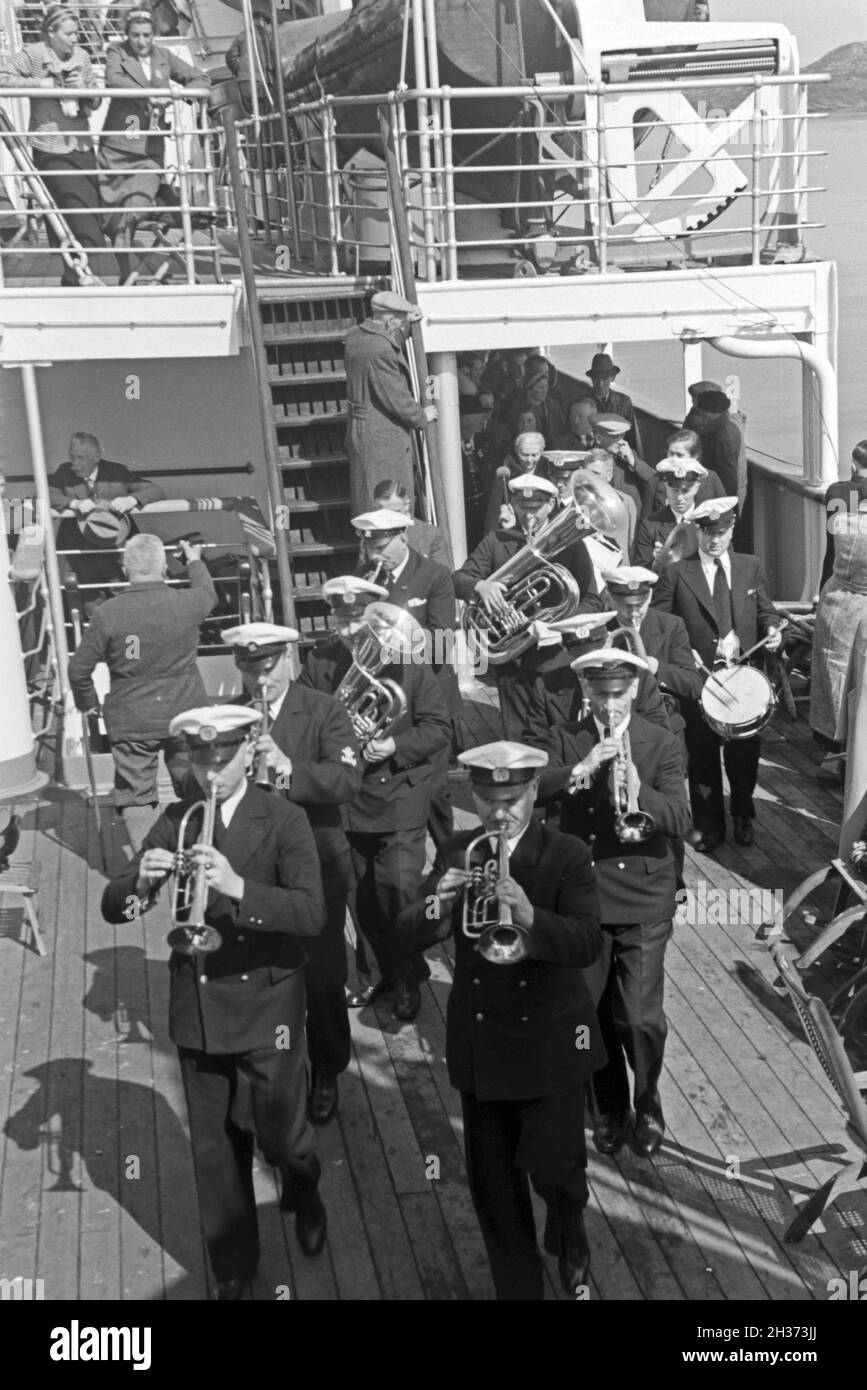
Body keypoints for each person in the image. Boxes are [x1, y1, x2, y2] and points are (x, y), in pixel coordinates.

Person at [101, 705, 328, 1299]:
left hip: (266, 1004)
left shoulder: (284, 819)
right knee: (215, 1148)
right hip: (198, 1005)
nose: (211, 775)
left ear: (249, 752)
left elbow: (311, 912)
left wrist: (238, 888)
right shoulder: (176, 818)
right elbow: (113, 906)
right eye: (201, 761)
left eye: (222, 761)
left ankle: (303, 1187)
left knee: (282, 1137)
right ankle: (233, 1267)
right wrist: (140, 884)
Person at [398, 741, 604, 1300]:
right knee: (494, 1190)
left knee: (558, 1170)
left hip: (550, 1044)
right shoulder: (459, 851)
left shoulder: (566, 855)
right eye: (488, 800)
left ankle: (570, 1227)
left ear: (534, 792)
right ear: (473, 795)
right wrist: (438, 902)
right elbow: (407, 932)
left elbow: (587, 942)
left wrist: (532, 916)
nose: (499, 813)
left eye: (511, 800)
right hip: (484, 1044)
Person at [535, 649, 690, 1158]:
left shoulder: (662, 742)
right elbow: (537, 791)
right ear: (586, 694)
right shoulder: (567, 739)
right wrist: (582, 769)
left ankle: (647, 1103)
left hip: (644, 895)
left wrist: (640, 795)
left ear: (633, 692)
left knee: (640, 1017)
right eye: (599, 695)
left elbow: (682, 819)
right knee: (589, 1010)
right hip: (584, 895)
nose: (608, 706)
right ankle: (610, 1107)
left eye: (617, 694)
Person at [221, 621, 362, 1128]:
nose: (259, 682)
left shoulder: (324, 709)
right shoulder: (229, 716)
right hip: (253, 868)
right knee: (264, 975)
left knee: (323, 976)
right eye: (249, 670)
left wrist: (286, 769)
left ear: (289, 662)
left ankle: (326, 1070)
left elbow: (347, 779)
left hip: (316, 864)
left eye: (267, 669)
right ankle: (272, 1071)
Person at [299, 577, 451, 1023]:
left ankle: (407, 975)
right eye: (340, 618)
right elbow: (305, 721)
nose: (347, 629)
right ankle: (374, 975)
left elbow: (439, 728)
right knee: (355, 897)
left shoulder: (410, 663)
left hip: (397, 798)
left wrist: (395, 749)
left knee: (397, 895)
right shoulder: (319, 662)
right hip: (344, 800)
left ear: (371, 617)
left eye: (354, 618)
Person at [67, 533, 217, 851]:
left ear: (125, 569)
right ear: (163, 567)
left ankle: (147, 872)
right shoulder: (188, 603)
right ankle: (198, 854)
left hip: (132, 719)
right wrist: (193, 561)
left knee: (136, 793)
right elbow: (207, 592)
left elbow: (78, 670)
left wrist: (90, 704)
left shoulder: (108, 613)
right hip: (186, 712)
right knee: (191, 777)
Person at [652, 498, 782, 852]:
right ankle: (709, 826)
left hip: (743, 678)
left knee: (744, 756)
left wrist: (772, 630)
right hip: (699, 679)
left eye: (721, 532)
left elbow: (766, 611)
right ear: (698, 531)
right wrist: (679, 652)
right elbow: (658, 625)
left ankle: (742, 812)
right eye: (708, 532)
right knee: (702, 754)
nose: (714, 540)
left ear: (732, 529)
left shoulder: (750, 566)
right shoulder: (676, 573)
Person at [453, 473, 602, 738]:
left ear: (551, 505)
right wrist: (481, 587)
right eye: (522, 507)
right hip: (514, 664)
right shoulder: (496, 541)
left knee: (560, 737)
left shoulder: (574, 546)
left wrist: (557, 626)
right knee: (519, 740)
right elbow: (459, 579)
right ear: (513, 504)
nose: (529, 514)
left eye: (535, 508)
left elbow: (592, 601)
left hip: (556, 661)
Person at [351, 507, 461, 849]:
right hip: (386, 697)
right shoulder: (365, 576)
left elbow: (443, 643)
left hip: (428, 694)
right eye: (370, 548)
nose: (375, 555)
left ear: (402, 537)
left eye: (381, 547)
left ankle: (450, 863)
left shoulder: (435, 575)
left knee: (434, 790)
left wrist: (397, 639)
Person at [0, 9, 119, 285]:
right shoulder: (34, 54)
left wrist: (83, 91)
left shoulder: (82, 57)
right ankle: (78, 278)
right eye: (68, 34)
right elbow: (3, 77)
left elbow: (95, 103)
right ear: (51, 33)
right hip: (51, 148)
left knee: (88, 216)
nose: (75, 39)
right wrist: (45, 84)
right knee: (74, 216)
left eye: (76, 33)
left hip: (81, 146)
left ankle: (74, 279)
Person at [100, 9, 209, 284]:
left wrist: (180, 95)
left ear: (153, 35)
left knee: (135, 208)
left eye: (146, 35)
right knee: (118, 214)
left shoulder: (163, 57)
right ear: (127, 34)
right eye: (135, 35)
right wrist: (152, 96)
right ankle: (127, 273)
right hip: (124, 135)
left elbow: (199, 78)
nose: (141, 41)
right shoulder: (117, 52)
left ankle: (138, 268)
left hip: (149, 150)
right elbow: (114, 80)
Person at [343, 290, 438, 513]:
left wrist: (405, 327)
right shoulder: (380, 350)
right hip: (382, 439)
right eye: (399, 323)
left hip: (363, 431)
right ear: (389, 320)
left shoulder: (355, 336)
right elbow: (395, 396)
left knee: (371, 495)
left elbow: (386, 339)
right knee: (389, 499)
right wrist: (422, 416)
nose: (400, 328)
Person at [810, 451, 867, 767]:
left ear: (853, 465)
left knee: (836, 677)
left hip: (837, 599)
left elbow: (833, 542)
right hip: (851, 602)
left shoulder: (838, 492)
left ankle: (836, 749)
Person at [633, 456, 706, 570]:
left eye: (685, 491)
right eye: (674, 491)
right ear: (666, 486)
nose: (679, 497)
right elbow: (640, 570)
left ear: (696, 487)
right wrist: (656, 563)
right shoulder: (651, 524)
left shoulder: (706, 520)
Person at [371, 477, 451, 568]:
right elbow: (362, 575)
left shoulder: (431, 535)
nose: (390, 518)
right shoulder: (371, 534)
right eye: (384, 514)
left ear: (407, 505)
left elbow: (443, 577)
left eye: (395, 512)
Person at [644, 428, 725, 515]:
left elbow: (723, 516)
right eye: (671, 453)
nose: (674, 459)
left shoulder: (711, 478)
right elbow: (647, 519)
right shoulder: (655, 481)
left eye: (679, 455)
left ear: (694, 457)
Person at [691, 389, 746, 508]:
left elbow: (728, 475)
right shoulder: (729, 426)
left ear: (708, 413)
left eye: (701, 412)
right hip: (723, 494)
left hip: (721, 499)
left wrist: (722, 504)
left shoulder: (721, 436)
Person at [583, 352, 643, 455]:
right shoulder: (582, 404)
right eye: (596, 378)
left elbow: (633, 438)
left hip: (618, 460)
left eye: (604, 378)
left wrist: (636, 463)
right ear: (591, 378)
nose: (600, 383)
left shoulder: (624, 402)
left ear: (613, 378)